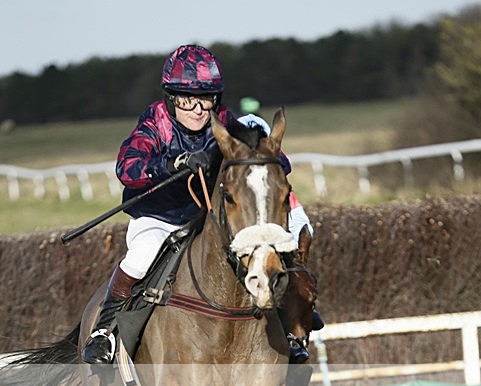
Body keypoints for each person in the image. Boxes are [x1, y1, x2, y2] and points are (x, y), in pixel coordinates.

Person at [81, 44, 321, 365]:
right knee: (141, 257)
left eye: (205, 99)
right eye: (187, 99)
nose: (197, 109)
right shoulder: (155, 122)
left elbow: (265, 155)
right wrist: (173, 163)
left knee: (267, 253)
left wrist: (268, 160)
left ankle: (289, 326)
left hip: (205, 218)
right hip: (159, 218)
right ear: (171, 98)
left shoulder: (224, 122)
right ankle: (104, 331)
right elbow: (127, 167)